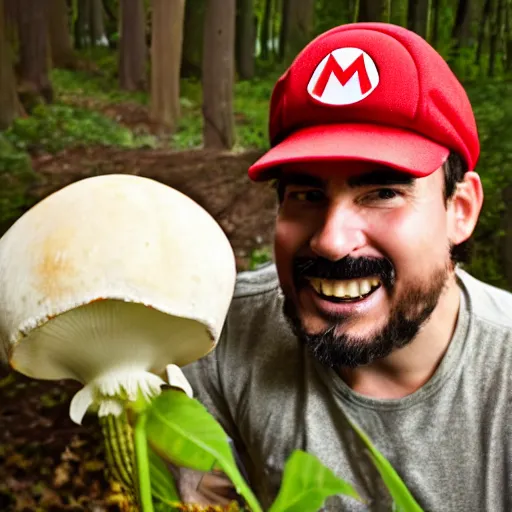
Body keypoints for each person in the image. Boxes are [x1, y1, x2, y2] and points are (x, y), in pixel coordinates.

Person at [182, 22, 512, 511]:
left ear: (460, 210)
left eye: (382, 193)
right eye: (306, 194)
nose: (331, 241)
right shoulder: (215, 339)